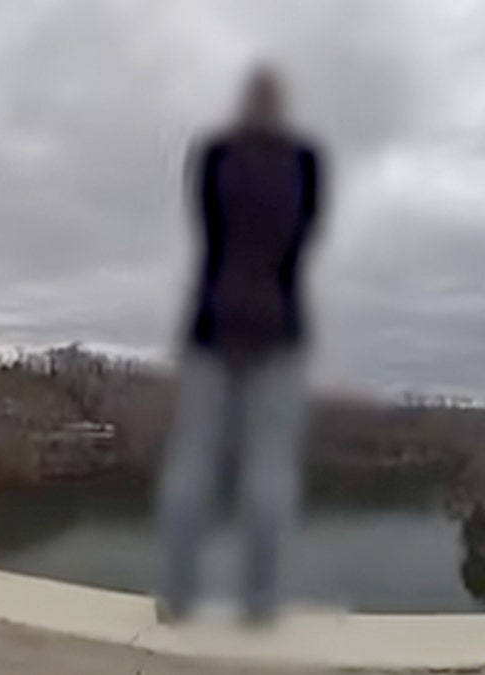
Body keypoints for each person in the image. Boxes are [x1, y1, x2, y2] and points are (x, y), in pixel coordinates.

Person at [156, 66, 325, 625]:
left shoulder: (213, 153)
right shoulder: (305, 160)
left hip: (212, 319)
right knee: (269, 470)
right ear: (282, 105)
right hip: (280, 323)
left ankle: (176, 601)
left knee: (192, 463)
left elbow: (204, 225)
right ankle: (258, 605)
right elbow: (306, 232)